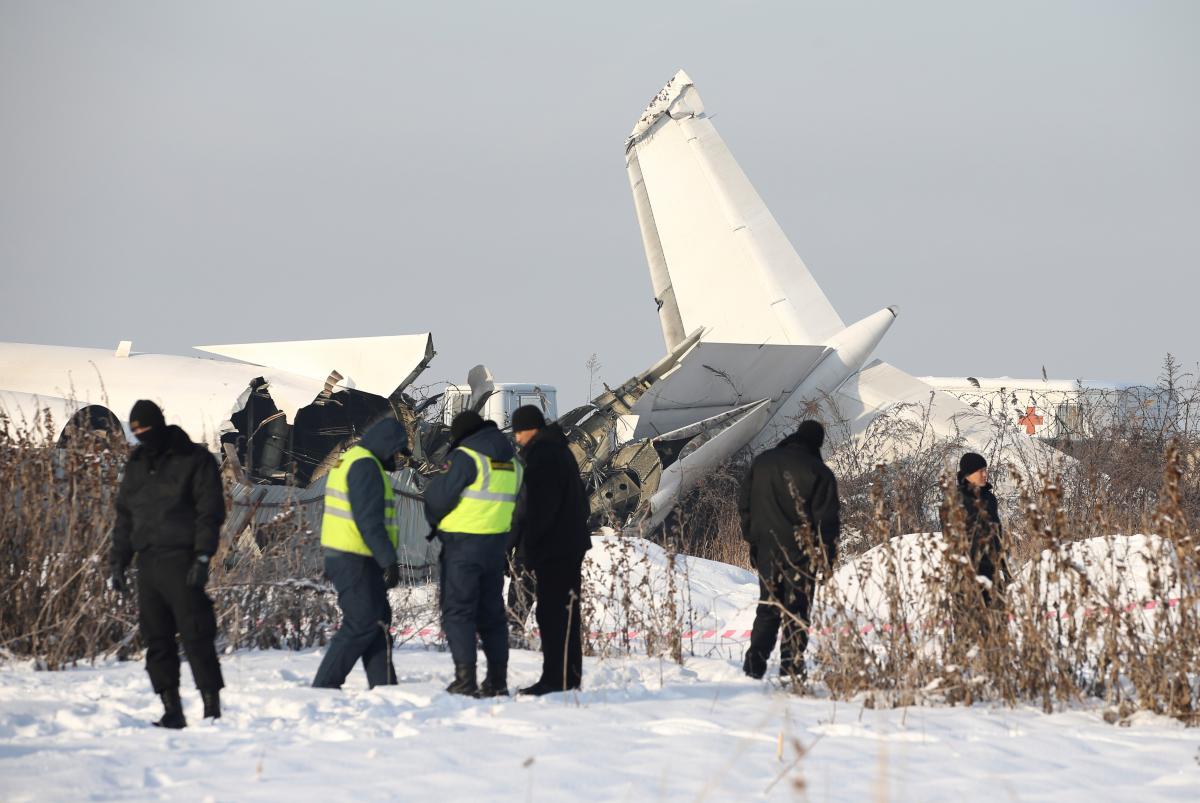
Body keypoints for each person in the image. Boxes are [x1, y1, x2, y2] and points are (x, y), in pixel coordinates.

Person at [110, 400, 226, 729]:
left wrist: (203, 556)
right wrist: (118, 561)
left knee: (196, 634)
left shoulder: (194, 459)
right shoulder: (137, 463)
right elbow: (125, 517)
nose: (141, 436)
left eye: (144, 429)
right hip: (147, 562)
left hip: (183, 559)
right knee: (156, 638)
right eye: (136, 432)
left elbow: (210, 511)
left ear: (159, 424)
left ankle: (211, 707)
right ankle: (171, 708)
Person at [424, 411, 522, 697]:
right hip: (495, 547)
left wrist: (437, 521)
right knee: (492, 615)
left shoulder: (467, 457)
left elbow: (437, 497)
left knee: (458, 612)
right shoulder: (513, 462)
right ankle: (497, 681)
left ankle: (465, 679)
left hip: (463, 546)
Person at [738, 420, 840, 685]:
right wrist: (826, 561)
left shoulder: (763, 462)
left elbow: (745, 505)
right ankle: (791, 668)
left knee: (768, 608)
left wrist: (753, 541)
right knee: (797, 611)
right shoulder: (819, 472)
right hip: (801, 556)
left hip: (767, 551)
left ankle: (753, 667)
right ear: (817, 443)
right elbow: (826, 523)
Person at [312, 418, 409, 690]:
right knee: (363, 622)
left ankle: (385, 688)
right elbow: (369, 520)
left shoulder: (355, 459)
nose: (397, 458)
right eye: (397, 451)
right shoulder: (365, 466)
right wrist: (388, 560)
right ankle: (324, 687)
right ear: (386, 445)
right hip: (355, 557)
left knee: (377, 622)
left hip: (353, 555)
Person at [509, 405, 592, 695]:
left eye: (518, 432)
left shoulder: (542, 455)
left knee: (552, 614)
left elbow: (538, 509)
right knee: (567, 614)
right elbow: (582, 503)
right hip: (570, 544)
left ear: (530, 429)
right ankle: (569, 677)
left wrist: (527, 549)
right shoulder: (560, 450)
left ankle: (555, 680)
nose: (517, 439)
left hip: (554, 548)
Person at [940, 452, 1009, 606]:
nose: (985, 475)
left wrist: (1005, 569)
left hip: (993, 576)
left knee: (998, 624)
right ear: (968, 474)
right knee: (971, 625)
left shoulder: (990, 499)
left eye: (986, 470)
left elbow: (998, 537)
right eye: (980, 471)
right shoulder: (954, 500)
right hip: (968, 578)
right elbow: (952, 542)